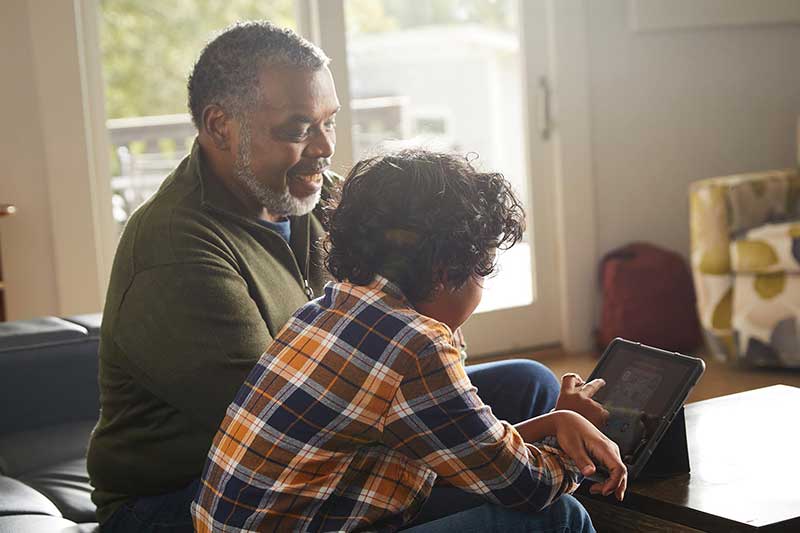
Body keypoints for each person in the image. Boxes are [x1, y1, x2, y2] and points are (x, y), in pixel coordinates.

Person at [88, 21, 607, 532]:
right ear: (221, 126)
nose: (324, 148)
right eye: (297, 128)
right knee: (542, 501)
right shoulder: (177, 250)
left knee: (531, 384)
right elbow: (275, 422)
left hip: (337, 433)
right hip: (188, 497)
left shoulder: (314, 191)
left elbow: (392, 346)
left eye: (329, 122)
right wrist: (507, 450)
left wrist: (529, 434)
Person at [192, 149, 627, 532]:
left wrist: (555, 423)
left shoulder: (327, 308)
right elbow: (525, 488)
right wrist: (569, 450)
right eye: (484, 267)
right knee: (558, 517)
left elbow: (466, 449)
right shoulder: (417, 344)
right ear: (445, 269)